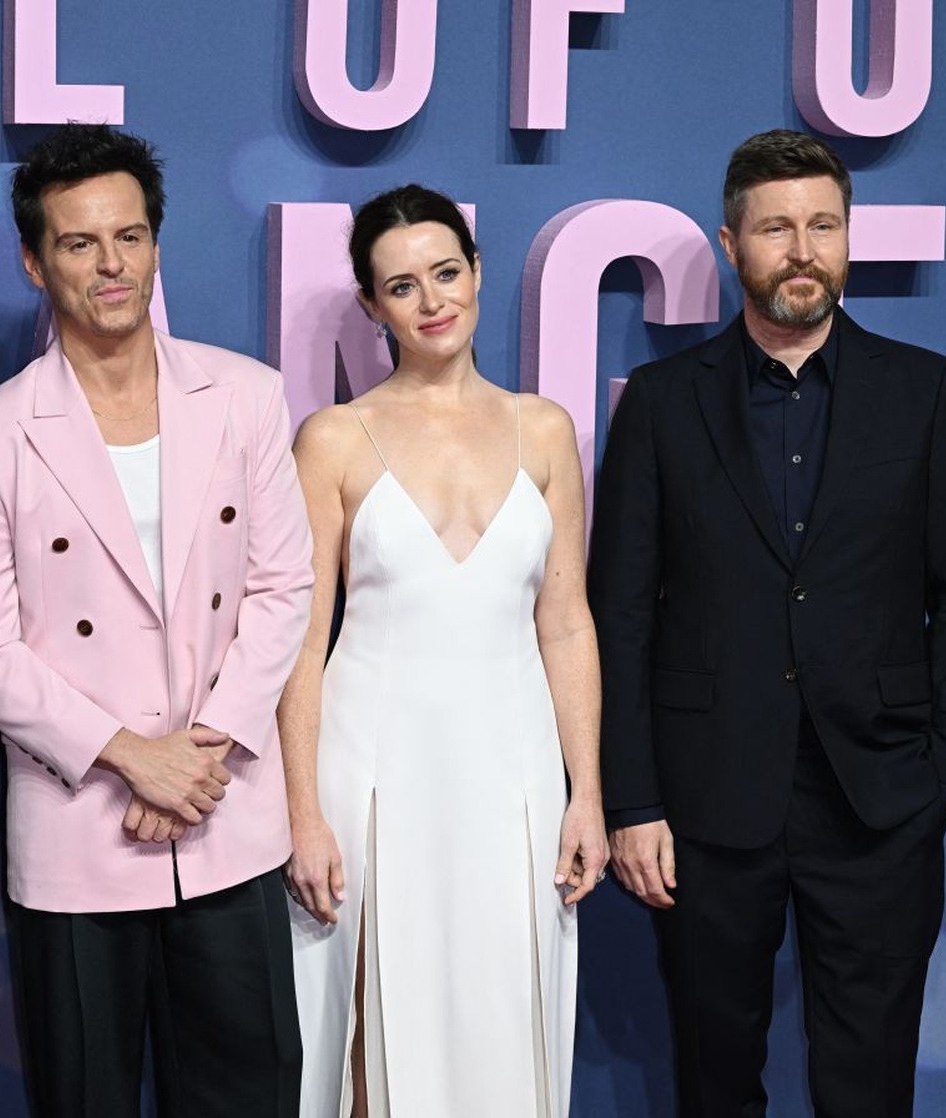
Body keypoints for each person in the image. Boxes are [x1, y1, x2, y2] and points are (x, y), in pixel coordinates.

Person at [588, 130, 946, 1117]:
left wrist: (944, 772)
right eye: (776, 229)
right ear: (731, 245)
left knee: (869, 1082)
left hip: (881, 797)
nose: (803, 250)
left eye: (823, 225)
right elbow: (620, 613)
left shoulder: (922, 390)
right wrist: (632, 801)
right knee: (714, 1077)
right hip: (705, 799)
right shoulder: (663, 403)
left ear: (848, 236)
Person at [0, 122, 314, 1117]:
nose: (110, 264)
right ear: (34, 261)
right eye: (78, 242)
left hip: (226, 815)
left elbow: (284, 586)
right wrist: (131, 758)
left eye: (129, 236)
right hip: (79, 834)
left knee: (250, 1095)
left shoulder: (245, 397)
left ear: (154, 244)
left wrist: (201, 754)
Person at [282, 184, 607, 1117]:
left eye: (445, 273)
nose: (431, 301)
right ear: (370, 304)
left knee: (506, 1018)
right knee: (367, 1031)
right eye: (401, 286)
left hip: (514, 776)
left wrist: (586, 793)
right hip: (371, 775)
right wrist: (302, 814)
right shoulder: (333, 440)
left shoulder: (544, 429)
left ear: (476, 272)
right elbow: (301, 643)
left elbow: (566, 622)